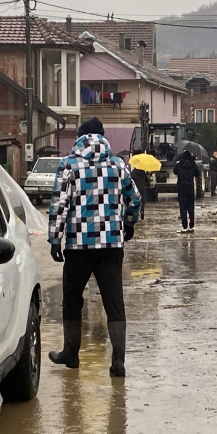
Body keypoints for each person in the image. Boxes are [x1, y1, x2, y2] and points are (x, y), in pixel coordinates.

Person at [47, 117, 142, 377]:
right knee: (114, 302)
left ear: (79, 136)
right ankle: (118, 362)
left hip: (78, 246)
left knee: (72, 298)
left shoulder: (68, 165)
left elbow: (58, 206)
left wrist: (55, 239)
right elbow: (135, 200)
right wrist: (128, 223)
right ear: (102, 136)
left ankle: (71, 353)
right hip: (111, 244)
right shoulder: (118, 165)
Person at [173, 151, 199, 233]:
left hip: (181, 188)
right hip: (190, 188)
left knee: (183, 208)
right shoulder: (193, 164)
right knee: (191, 207)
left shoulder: (179, 165)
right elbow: (198, 174)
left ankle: (184, 226)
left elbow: (174, 171)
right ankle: (191, 226)